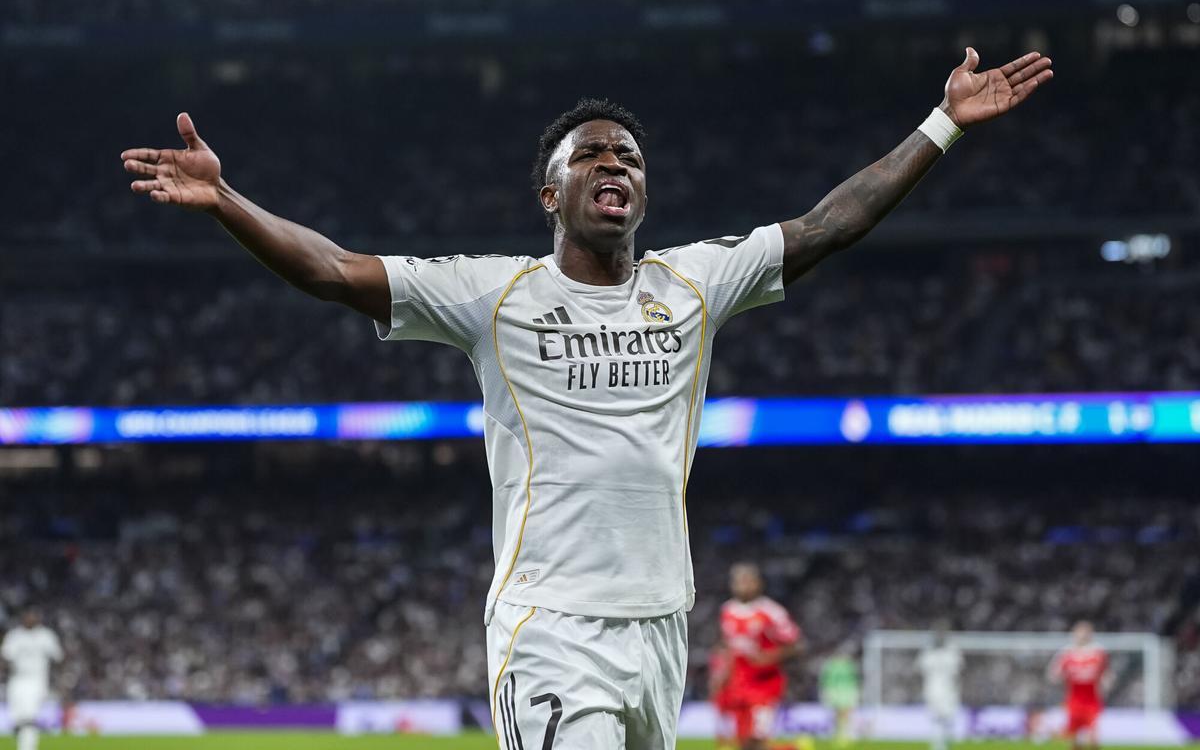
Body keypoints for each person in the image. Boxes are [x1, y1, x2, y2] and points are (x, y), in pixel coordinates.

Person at [121, 47, 1052, 749]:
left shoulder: (695, 283)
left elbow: (826, 225)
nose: (615, 164)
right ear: (549, 193)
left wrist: (943, 124)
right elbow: (333, 269)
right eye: (593, 155)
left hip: (661, 622)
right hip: (551, 625)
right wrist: (228, 200)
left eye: (630, 158)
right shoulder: (493, 295)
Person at [716, 563, 803, 750]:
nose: (743, 585)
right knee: (744, 742)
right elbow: (728, 647)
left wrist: (768, 657)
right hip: (738, 684)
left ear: (758, 583)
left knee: (758, 740)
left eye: (748, 581)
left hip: (764, 685)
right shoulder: (728, 610)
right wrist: (722, 675)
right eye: (738, 581)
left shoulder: (772, 612)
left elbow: (796, 645)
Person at [2, 609, 63, 750]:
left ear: (38, 619)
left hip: (37, 680)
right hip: (16, 680)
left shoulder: (46, 636)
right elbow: (5, 657)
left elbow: (58, 657)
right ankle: (23, 743)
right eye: (27, 616)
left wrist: (58, 680)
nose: (30, 619)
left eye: (33, 616)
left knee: (29, 717)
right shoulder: (15, 636)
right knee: (18, 720)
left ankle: (28, 748)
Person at [1048, 621, 1108, 750]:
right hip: (1074, 701)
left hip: (1092, 701)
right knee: (1074, 739)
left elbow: (1106, 674)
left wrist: (1104, 683)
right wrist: (1062, 678)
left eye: (1086, 632)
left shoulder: (1098, 653)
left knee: (1093, 738)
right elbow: (1054, 675)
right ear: (1074, 634)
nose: (1083, 635)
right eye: (1080, 632)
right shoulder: (1066, 653)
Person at [917, 627, 962, 750]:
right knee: (941, 718)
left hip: (938, 690)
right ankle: (940, 745)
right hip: (941, 690)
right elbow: (957, 671)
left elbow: (921, 670)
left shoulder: (929, 653)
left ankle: (940, 744)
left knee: (942, 719)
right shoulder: (950, 652)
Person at [819, 645, 860, 746]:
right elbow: (826, 679)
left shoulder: (834, 665)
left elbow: (825, 680)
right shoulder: (844, 665)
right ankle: (841, 734)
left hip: (842, 691)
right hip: (841, 691)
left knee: (842, 714)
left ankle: (842, 734)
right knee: (842, 714)